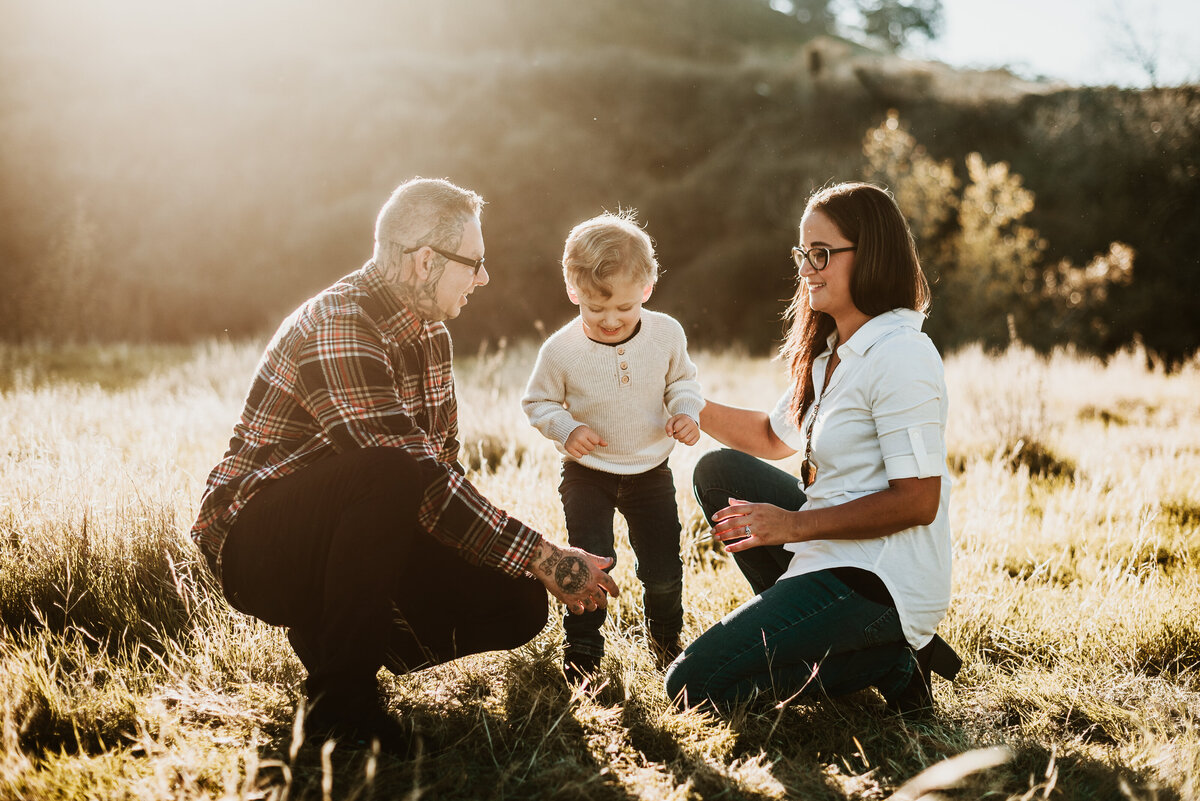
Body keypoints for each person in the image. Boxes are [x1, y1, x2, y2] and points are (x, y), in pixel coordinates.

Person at [190, 178, 619, 754]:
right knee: (389, 472)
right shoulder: (340, 326)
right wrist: (546, 554)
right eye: (475, 263)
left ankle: (336, 639)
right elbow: (414, 480)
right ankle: (340, 705)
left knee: (517, 602)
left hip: (358, 532)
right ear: (424, 261)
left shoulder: (432, 335)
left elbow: (442, 471)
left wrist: (531, 567)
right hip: (258, 543)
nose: (483, 278)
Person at [664, 182, 960, 714]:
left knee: (690, 687)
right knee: (719, 472)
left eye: (822, 254)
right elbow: (769, 438)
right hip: (828, 553)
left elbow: (918, 501)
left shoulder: (902, 355)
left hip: (880, 579)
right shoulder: (831, 353)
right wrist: (682, 402)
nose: (806, 269)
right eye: (804, 254)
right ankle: (834, 632)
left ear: (869, 255)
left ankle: (892, 656)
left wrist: (792, 526)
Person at [522, 211, 702, 682]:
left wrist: (686, 412)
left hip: (650, 472)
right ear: (573, 291)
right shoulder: (560, 350)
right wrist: (565, 428)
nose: (610, 320)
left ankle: (666, 643)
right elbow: (537, 401)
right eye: (595, 309)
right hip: (588, 474)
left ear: (646, 288)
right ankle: (583, 652)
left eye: (624, 308)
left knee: (663, 566)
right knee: (590, 563)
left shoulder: (666, 333)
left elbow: (683, 382)